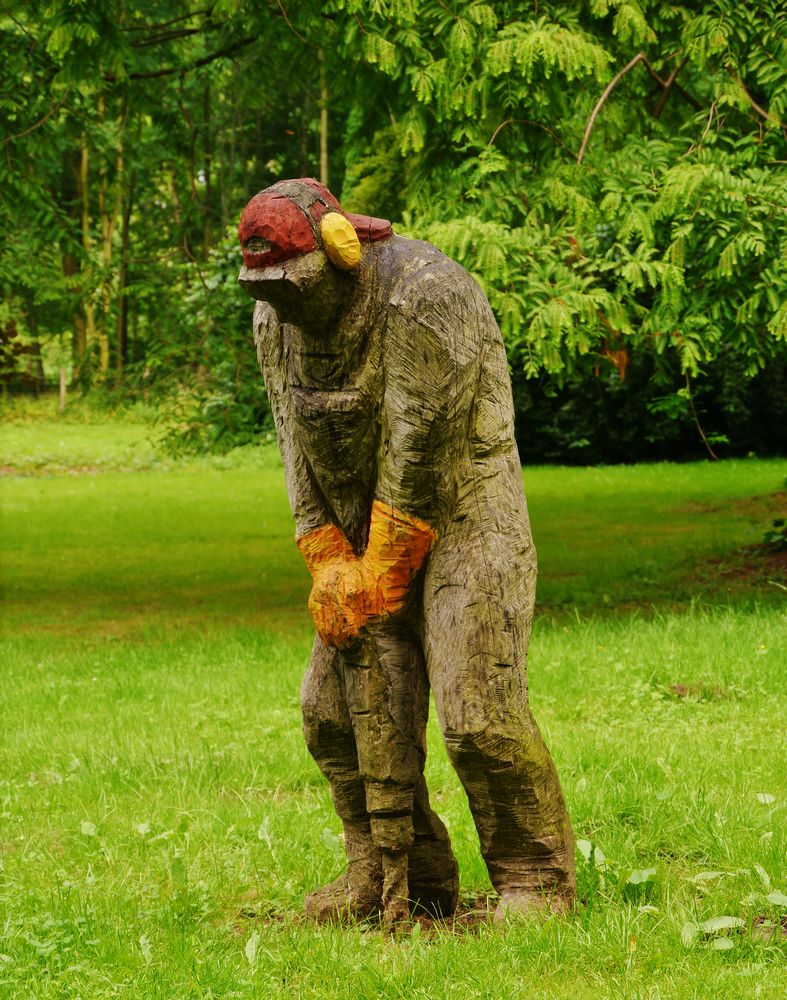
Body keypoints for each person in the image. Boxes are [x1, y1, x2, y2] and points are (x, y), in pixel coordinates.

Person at [238, 178, 575, 924]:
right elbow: (293, 445)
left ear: (338, 254)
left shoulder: (425, 296)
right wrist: (325, 556)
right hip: (354, 527)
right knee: (329, 714)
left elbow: (420, 448)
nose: (280, 305)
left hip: (463, 513)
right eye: (264, 292)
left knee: (476, 710)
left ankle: (535, 879)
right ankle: (401, 873)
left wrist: (382, 568)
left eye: (292, 286)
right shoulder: (273, 319)